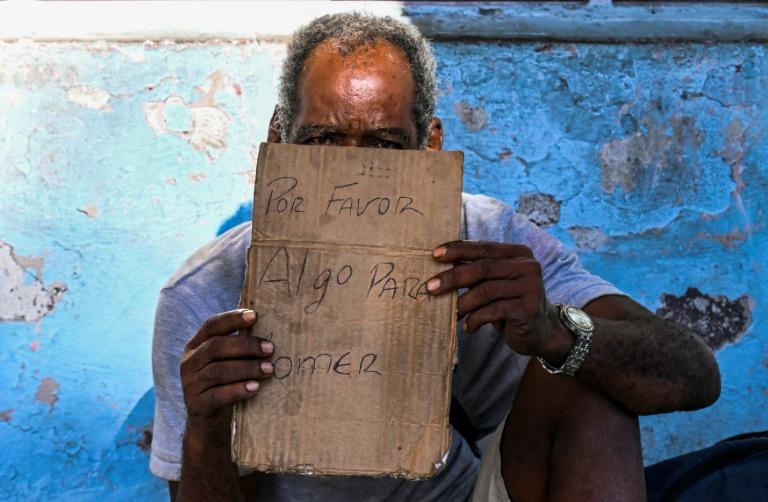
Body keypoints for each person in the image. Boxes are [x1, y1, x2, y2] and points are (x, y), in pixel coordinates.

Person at [150, 12, 721, 502]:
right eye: (321, 142)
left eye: (382, 146)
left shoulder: (483, 239)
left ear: (430, 148)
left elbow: (696, 378)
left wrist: (555, 330)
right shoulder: (205, 294)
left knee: (585, 367)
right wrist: (204, 430)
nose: (350, 176)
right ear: (278, 140)